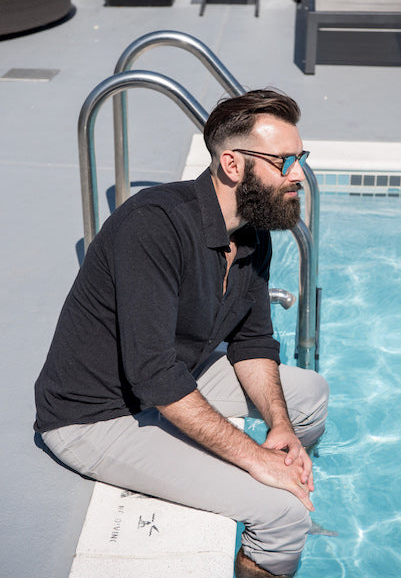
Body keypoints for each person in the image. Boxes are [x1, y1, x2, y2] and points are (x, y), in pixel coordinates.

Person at [34, 89, 329, 577]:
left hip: (168, 377)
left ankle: (297, 478)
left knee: (309, 397)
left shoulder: (252, 229)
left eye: (301, 158)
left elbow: (252, 342)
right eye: (286, 161)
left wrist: (279, 427)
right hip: (95, 417)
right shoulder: (154, 226)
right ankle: (281, 524)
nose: (298, 173)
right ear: (233, 164)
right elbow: (154, 375)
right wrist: (254, 459)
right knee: (282, 516)